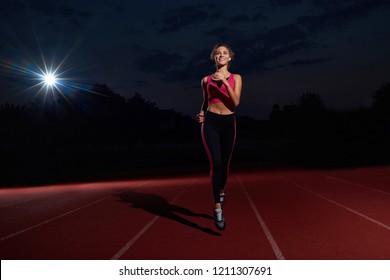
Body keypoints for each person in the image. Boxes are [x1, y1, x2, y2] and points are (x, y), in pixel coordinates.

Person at [196, 43, 242, 230]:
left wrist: (223, 81)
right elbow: (205, 102)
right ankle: (217, 209)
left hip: (229, 123)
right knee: (216, 163)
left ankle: (222, 190)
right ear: (214, 57)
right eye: (218, 53)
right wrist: (200, 113)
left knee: (225, 163)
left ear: (229, 58)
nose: (221, 55)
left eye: (225, 53)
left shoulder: (237, 77)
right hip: (211, 123)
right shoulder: (205, 80)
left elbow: (236, 102)